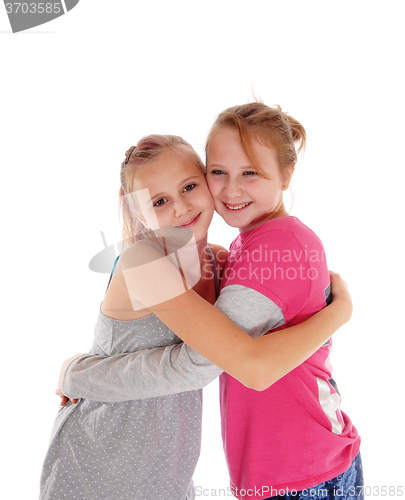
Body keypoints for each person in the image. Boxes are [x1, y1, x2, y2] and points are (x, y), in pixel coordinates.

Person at [41, 132, 352, 500]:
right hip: (102, 453)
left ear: (207, 181)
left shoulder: (221, 264)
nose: (180, 207)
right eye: (159, 201)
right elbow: (201, 365)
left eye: (189, 186)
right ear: (138, 213)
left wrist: (79, 373)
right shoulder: (143, 261)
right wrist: (340, 313)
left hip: (167, 466)